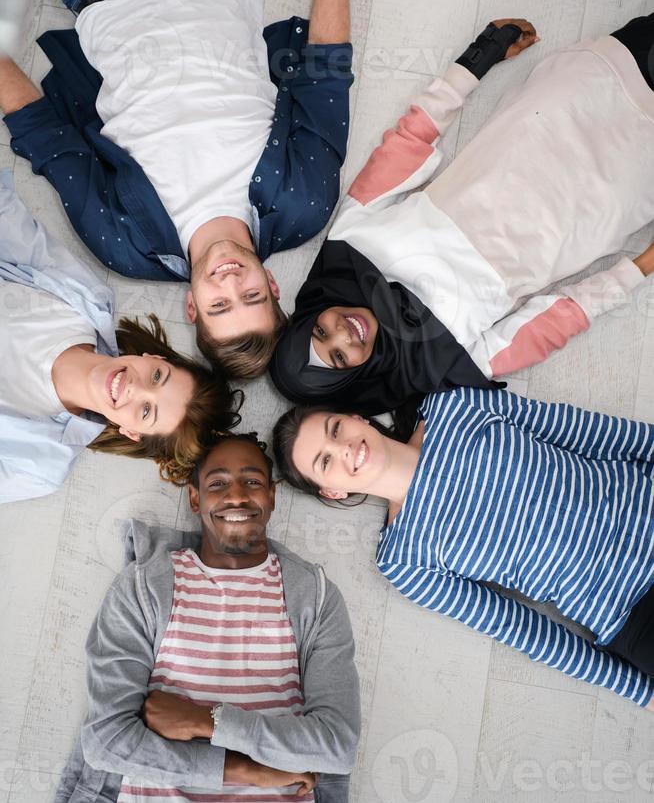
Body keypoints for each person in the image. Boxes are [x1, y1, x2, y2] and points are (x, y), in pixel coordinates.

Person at [0, 0, 353, 380]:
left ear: (192, 307)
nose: (231, 283)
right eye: (252, 297)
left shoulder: (128, 246)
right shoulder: (304, 202)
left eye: (218, 306)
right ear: (273, 286)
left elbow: (48, 139)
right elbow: (326, 74)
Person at [269, 13, 654, 415]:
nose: (342, 334)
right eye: (338, 358)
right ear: (351, 380)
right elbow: (553, 322)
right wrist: (640, 266)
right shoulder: (444, 365)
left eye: (319, 330)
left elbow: (410, 142)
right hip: (605, 196)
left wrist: (480, 56)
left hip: (547, 121)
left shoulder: (346, 244)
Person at [273, 388, 654, 708]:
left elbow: (582, 430)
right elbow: (519, 628)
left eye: (335, 429)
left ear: (355, 417)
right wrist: (637, 689)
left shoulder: (452, 407)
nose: (342, 448)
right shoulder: (403, 562)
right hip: (631, 615)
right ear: (333, 491)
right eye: (325, 461)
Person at [55, 433, 361, 803]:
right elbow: (107, 742)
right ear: (195, 498)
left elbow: (336, 745)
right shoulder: (143, 588)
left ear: (272, 496)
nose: (236, 495)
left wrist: (207, 721)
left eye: (252, 482)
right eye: (218, 483)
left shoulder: (316, 597)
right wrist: (246, 770)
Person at [0, 171, 240, 504]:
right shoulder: (85, 301)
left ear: (131, 432)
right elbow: (10, 225)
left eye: (145, 411)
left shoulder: (41, 464)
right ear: (154, 359)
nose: (135, 388)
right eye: (157, 377)